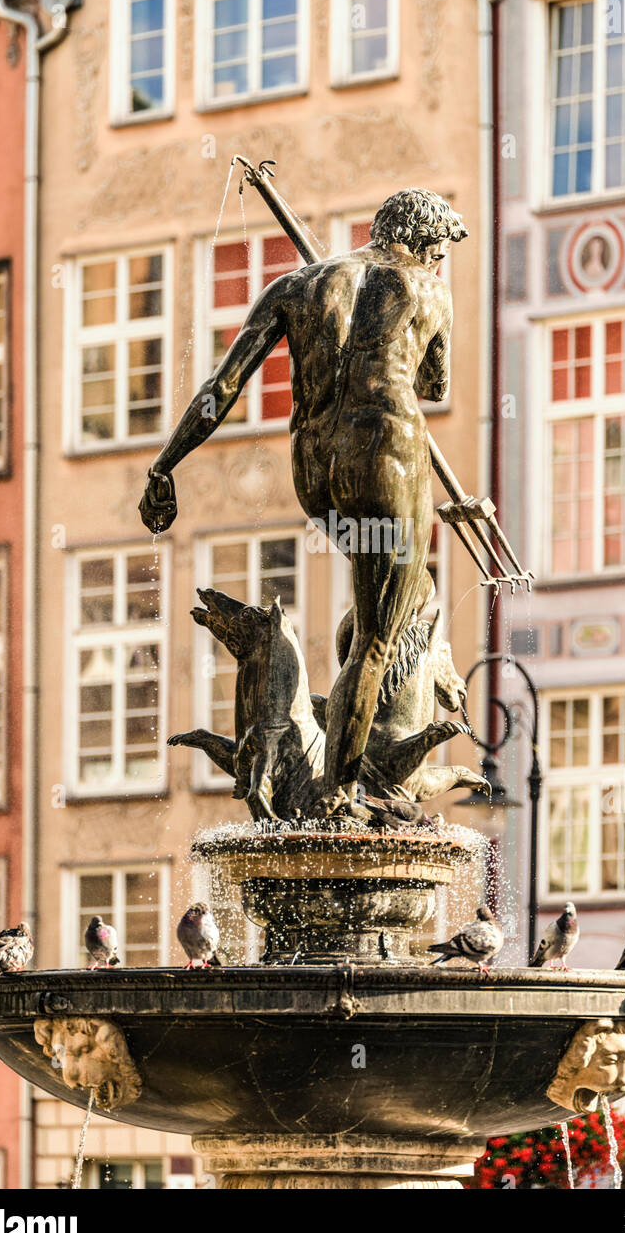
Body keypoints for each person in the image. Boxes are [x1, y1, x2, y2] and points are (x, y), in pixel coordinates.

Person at [139, 188, 468, 819]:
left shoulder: (298, 284)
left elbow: (222, 387)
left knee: (386, 604)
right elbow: (434, 384)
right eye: (439, 254)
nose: (439, 264)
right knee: (377, 637)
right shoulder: (429, 290)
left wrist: (165, 465)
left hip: (317, 472)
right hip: (387, 462)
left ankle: (338, 751)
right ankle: (342, 796)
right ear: (428, 244)